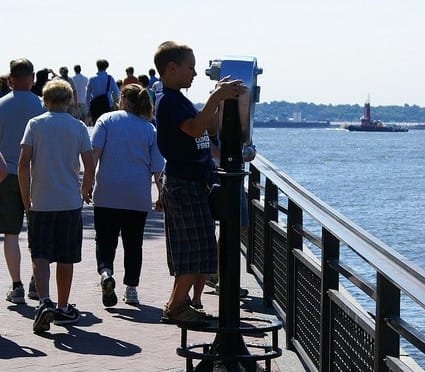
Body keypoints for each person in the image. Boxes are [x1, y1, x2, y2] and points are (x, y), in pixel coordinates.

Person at [154, 40, 247, 324]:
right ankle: (175, 307)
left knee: (201, 248)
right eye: (190, 68)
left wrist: (218, 100)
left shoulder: (179, 100)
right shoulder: (169, 101)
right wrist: (216, 99)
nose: (195, 73)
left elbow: (209, 127)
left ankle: (178, 304)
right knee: (194, 249)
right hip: (184, 184)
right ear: (172, 68)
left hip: (194, 181)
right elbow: (195, 130)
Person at [18, 79, 95, 333]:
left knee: (39, 254)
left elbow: (23, 163)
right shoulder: (78, 127)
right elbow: (89, 163)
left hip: (41, 201)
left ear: (45, 99)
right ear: (70, 101)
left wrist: (25, 196)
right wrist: (85, 189)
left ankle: (44, 301)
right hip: (69, 202)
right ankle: (63, 306)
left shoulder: (35, 125)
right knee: (66, 257)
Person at [91, 83, 164, 307]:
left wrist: (86, 185)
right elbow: (157, 168)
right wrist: (161, 195)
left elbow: (94, 154)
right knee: (134, 244)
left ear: (122, 99)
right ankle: (131, 289)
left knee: (105, 240)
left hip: (107, 193)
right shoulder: (149, 129)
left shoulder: (106, 120)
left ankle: (106, 273)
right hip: (137, 195)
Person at [0, 58, 46, 304]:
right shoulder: (42, 106)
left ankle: (16, 285)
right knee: (38, 232)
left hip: (5, 174)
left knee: (10, 233)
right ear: (33, 78)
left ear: (11, 79)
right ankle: (37, 284)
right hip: (36, 176)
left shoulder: (0, 105)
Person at [86, 59, 120, 125]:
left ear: (97, 66)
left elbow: (87, 96)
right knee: (108, 125)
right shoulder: (110, 78)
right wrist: (115, 103)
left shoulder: (91, 79)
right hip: (107, 105)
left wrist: (88, 108)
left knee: (96, 125)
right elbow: (117, 92)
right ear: (106, 67)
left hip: (95, 105)